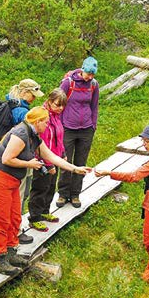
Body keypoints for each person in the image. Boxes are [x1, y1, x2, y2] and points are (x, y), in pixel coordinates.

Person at [0, 106, 91, 275]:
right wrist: (30, 164)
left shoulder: (34, 136)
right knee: (1, 220)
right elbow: (6, 158)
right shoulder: (21, 134)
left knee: (14, 218)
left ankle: (11, 253)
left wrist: (75, 168)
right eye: (46, 122)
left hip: (12, 182)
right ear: (37, 121)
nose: (48, 125)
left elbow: (52, 157)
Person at [94, 126, 149, 283]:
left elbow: (134, 177)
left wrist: (109, 173)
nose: (144, 144)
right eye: (143, 140)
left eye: (147, 141)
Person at [57, 56, 99, 209]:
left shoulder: (94, 85)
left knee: (81, 162)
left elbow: (94, 106)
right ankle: (62, 193)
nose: (90, 77)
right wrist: (60, 125)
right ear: (82, 70)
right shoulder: (68, 83)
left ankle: (75, 194)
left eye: (93, 74)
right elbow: (58, 103)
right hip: (68, 127)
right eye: (88, 73)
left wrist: (93, 125)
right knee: (66, 161)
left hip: (86, 129)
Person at [6, 78, 45, 244]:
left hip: (12, 157)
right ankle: (16, 230)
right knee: (19, 196)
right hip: (19, 159)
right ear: (23, 92)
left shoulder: (12, 104)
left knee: (19, 195)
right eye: (32, 94)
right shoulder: (22, 113)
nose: (35, 98)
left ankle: (14, 228)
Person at [28, 89, 66, 232]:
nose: (60, 108)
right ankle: (34, 218)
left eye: (63, 105)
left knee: (51, 187)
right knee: (40, 188)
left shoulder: (57, 116)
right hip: (42, 161)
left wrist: (62, 153)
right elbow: (42, 142)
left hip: (55, 159)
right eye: (57, 105)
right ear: (49, 102)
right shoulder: (43, 117)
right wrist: (48, 164)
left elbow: (59, 136)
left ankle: (45, 211)